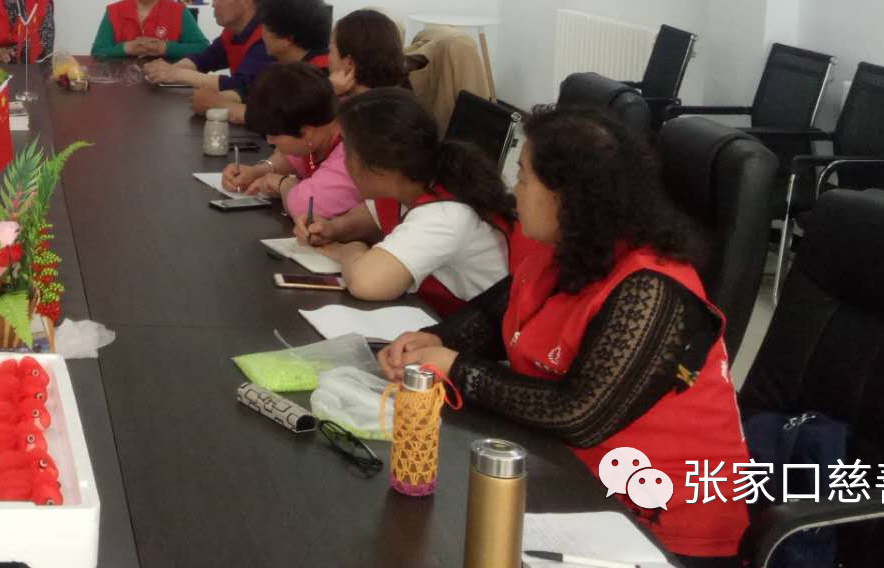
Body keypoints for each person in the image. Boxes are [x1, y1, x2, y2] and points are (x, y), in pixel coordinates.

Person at [377, 109, 750, 563]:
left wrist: (454, 366)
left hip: (662, 528)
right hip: (572, 481)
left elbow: (578, 415)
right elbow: (492, 321)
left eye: (524, 177)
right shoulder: (562, 253)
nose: (514, 190)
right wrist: (429, 340)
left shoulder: (652, 288)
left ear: (568, 196)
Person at [297, 88, 510, 312]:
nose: (343, 161)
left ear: (377, 165)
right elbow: (368, 218)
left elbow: (366, 282)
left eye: (347, 151)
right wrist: (332, 229)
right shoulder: (411, 182)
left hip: (469, 326)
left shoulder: (445, 214)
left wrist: (349, 250)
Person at [224, 8, 416, 201]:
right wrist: (258, 171)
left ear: (349, 62)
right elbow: (301, 149)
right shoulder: (348, 101)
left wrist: (282, 184)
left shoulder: (371, 124)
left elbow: (313, 200)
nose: (327, 56)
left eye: (330, 49)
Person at [226, 64, 360, 223]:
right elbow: (292, 157)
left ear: (307, 131)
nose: (269, 141)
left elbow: (306, 208)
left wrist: (283, 183)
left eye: (274, 135)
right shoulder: (320, 125)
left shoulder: (352, 151)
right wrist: (257, 171)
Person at [192, 0, 331, 120]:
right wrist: (222, 97)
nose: (261, 33)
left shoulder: (320, 74)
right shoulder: (285, 65)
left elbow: (280, 119)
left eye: (265, 28)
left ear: (287, 39)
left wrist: (219, 104)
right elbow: (253, 91)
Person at [144, 0, 270, 99]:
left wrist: (177, 74)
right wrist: (171, 70)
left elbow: (243, 86)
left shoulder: (267, 37)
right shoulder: (231, 32)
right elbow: (204, 59)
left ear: (246, 0)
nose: (213, 4)